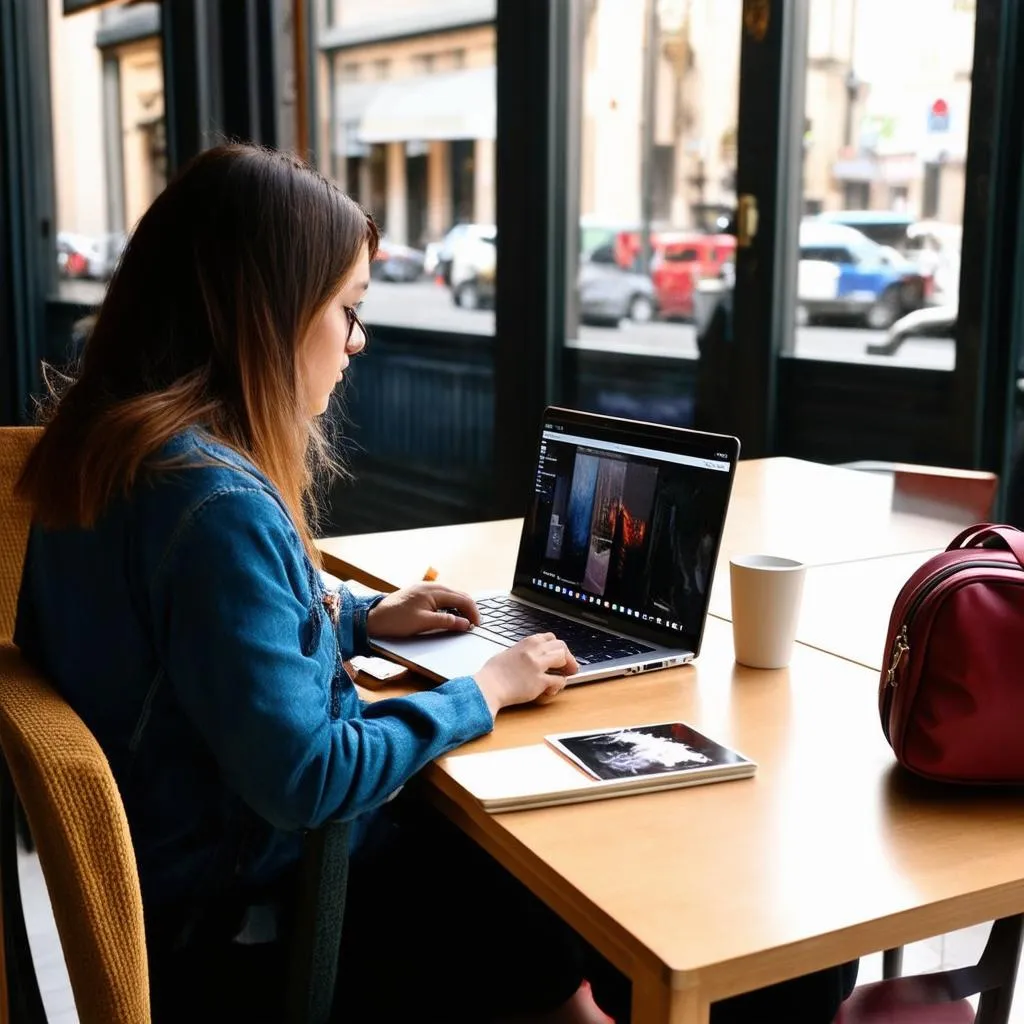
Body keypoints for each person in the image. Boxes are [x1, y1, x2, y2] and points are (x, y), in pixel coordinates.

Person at [14, 144, 855, 1022]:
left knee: (522, 867)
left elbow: (197, 647)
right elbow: (308, 775)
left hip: (186, 912)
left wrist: (366, 619)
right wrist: (483, 689)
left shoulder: (103, 455)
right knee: (735, 946)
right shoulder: (215, 503)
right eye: (347, 309)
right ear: (265, 317)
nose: (358, 339)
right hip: (271, 944)